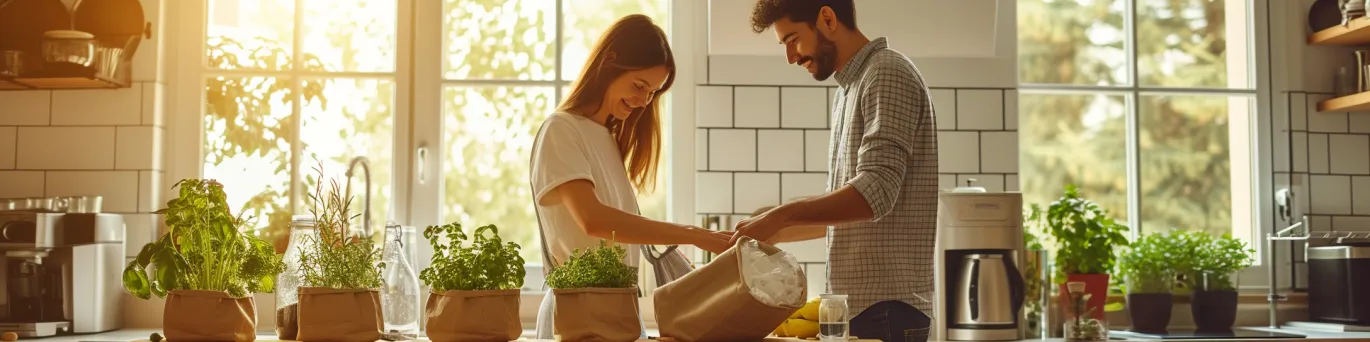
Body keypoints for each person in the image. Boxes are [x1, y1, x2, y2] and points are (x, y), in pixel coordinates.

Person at [732, 1, 939, 342]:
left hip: (887, 310)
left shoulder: (887, 73)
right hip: (869, 310)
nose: (790, 57)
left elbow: (876, 192)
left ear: (827, 18)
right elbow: (851, 211)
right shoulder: (849, 89)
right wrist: (771, 230)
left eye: (793, 39)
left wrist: (782, 216)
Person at [528, 14, 733, 339]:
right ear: (609, 63)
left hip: (614, 310)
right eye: (639, 86)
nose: (643, 101)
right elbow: (593, 220)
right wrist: (692, 234)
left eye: (652, 92)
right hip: (579, 314)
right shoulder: (561, 129)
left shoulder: (606, 137)